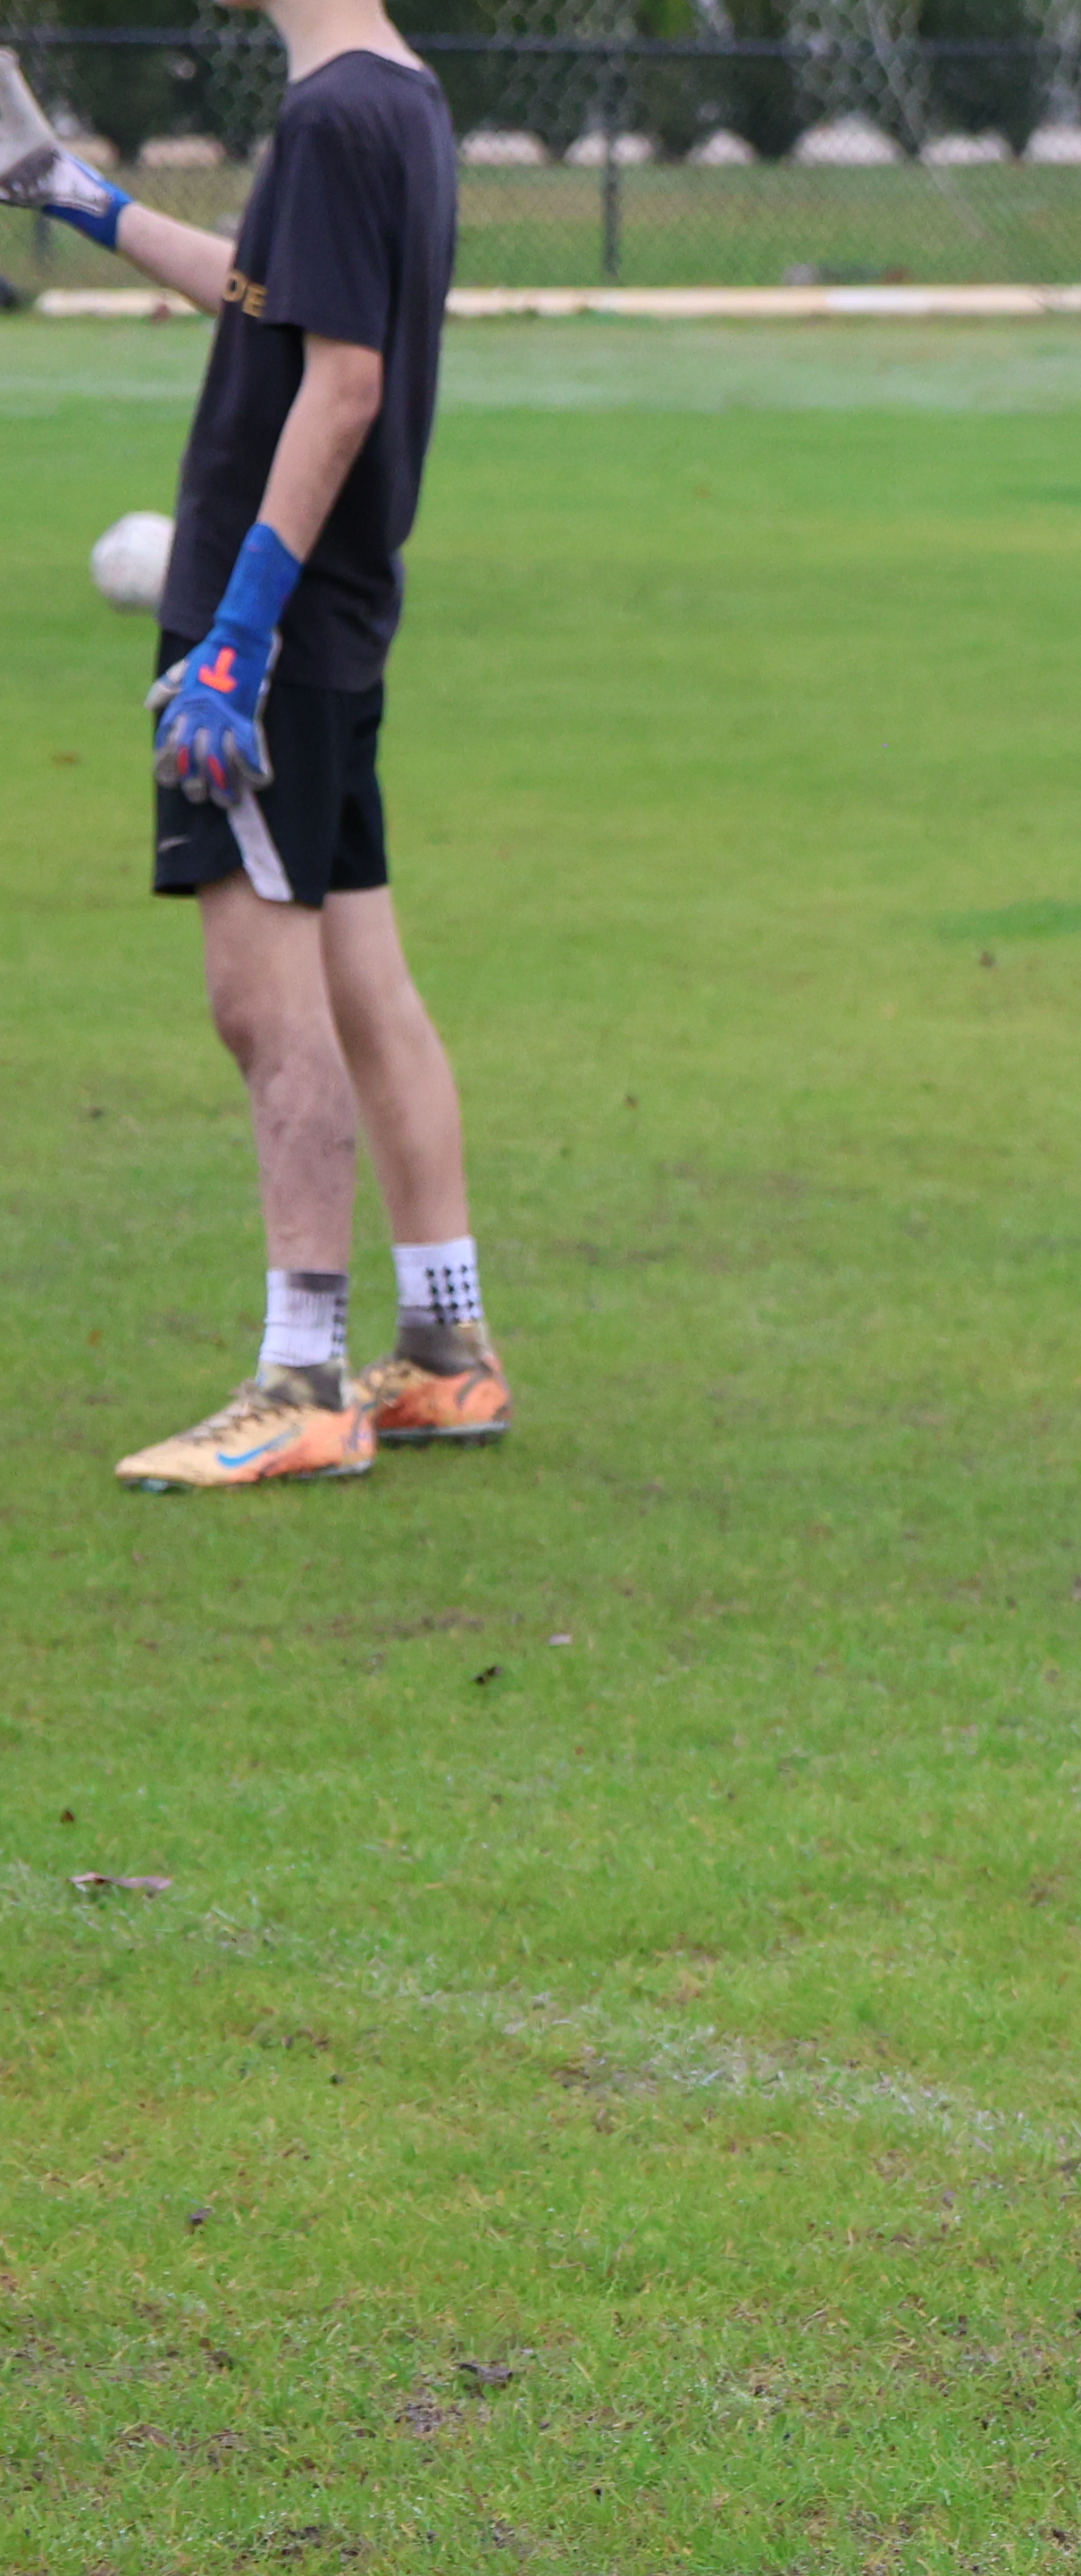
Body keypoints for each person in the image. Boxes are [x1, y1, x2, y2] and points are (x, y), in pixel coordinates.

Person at [2, 10, 510, 1494]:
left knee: (263, 1005)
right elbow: (267, 300)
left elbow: (342, 384)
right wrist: (68, 193)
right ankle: (446, 1350)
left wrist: (235, 633)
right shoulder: (394, 96)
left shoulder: (335, 115)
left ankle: (301, 1380)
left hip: (268, 629)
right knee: (364, 986)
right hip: (325, 621)